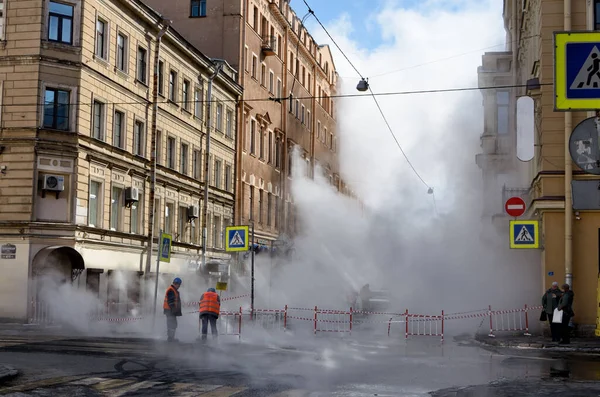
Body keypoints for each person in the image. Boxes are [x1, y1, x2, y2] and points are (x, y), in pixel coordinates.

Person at [163, 277, 182, 342]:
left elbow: (175, 301)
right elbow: (170, 301)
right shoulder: (171, 290)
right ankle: (170, 338)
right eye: (179, 285)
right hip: (170, 310)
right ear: (176, 284)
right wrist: (174, 310)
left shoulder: (174, 290)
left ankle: (171, 337)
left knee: (173, 324)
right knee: (171, 324)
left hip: (170, 310)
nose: (179, 286)